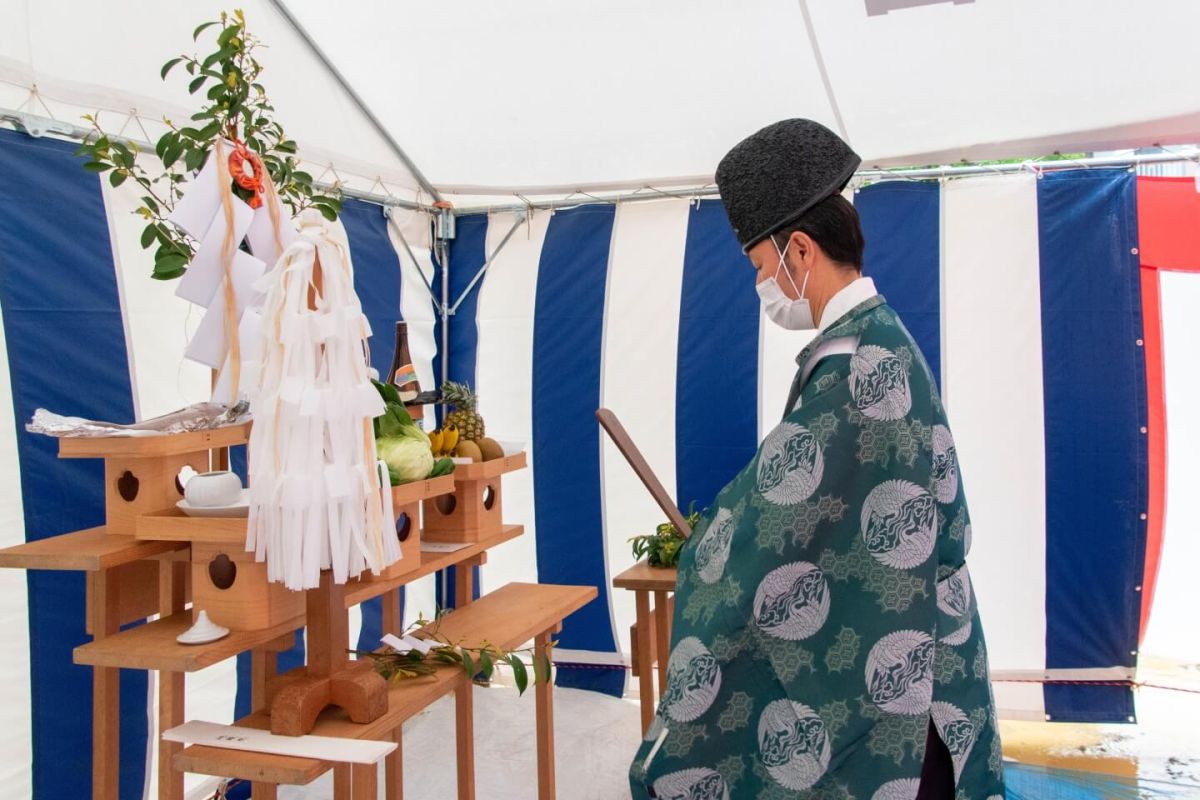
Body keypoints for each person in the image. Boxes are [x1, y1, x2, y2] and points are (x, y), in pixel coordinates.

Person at [628, 119, 1005, 800]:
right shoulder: (878, 341)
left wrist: (709, 546)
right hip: (931, 656)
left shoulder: (856, 371)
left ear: (799, 251)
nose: (762, 286)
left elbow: (776, 526)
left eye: (759, 267)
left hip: (909, 698)